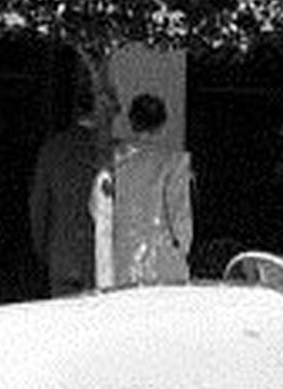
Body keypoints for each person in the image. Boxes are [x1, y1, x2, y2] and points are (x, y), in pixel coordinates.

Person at [96, 93, 194, 288]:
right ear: (162, 124)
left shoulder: (114, 162)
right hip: (163, 260)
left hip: (122, 257)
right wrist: (179, 252)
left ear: (131, 122)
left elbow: (98, 209)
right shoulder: (174, 162)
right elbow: (180, 216)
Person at [29, 85, 116, 297]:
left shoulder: (53, 148)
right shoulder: (113, 153)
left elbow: (39, 206)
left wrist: (46, 252)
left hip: (63, 257)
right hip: (102, 261)